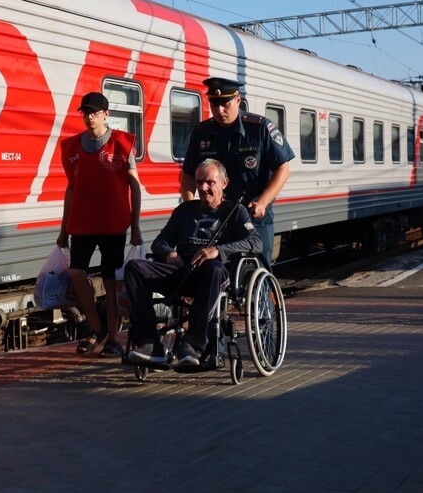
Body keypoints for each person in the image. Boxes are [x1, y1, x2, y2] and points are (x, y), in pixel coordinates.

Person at [124, 159, 261, 367]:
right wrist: (169, 252)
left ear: (224, 183)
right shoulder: (184, 211)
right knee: (134, 268)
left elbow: (255, 241)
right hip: (180, 270)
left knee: (214, 268)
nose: (203, 188)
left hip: (211, 275)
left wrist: (219, 250)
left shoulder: (235, 212)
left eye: (210, 183)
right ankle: (150, 344)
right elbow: (160, 242)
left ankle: (193, 344)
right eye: (199, 183)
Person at [57, 91, 142, 357]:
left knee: (110, 279)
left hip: (114, 223)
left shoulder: (121, 143)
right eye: (85, 112)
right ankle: (96, 327)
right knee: (77, 273)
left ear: (106, 114)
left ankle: (114, 337)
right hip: (81, 223)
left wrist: (136, 225)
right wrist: (63, 229)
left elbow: (134, 185)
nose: (89, 117)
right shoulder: (71, 147)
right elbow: (71, 188)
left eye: (94, 112)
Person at [180, 77, 294, 269]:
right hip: (216, 218)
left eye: (225, 104)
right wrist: (190, 205)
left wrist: (263, 202)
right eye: (214, 105)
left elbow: (283, 169)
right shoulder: (201, 132)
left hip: (253, 216)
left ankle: (264, 299)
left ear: (238, 101)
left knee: (258, 270)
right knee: (215, 272)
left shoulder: (259, 129)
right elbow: (189, 174)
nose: (219, 110)